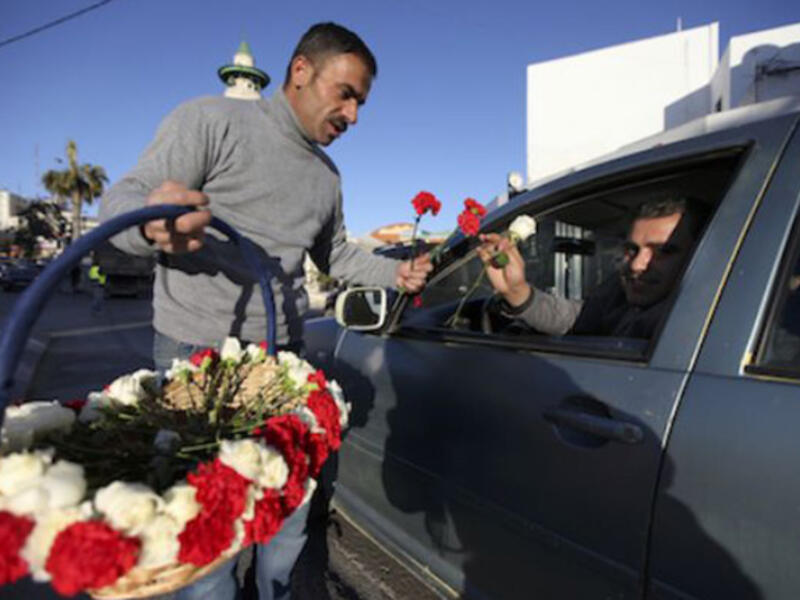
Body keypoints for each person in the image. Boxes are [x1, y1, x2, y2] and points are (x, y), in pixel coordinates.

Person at [100, 22, 432, 600]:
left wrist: (396, 273)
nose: (353, 116)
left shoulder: (327, 178)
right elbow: (124, 203)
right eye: (346, 94)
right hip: (193, 364)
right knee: (210, 544)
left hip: (284, 364)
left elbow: (338, 256)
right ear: (301, 70)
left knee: (285, 519)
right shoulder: (210, 120)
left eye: (361, 103)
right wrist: (153, 222)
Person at [476, 198, 704, 339]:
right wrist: (517, 292)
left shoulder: (693, 321)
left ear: (698, 254)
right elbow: (580, 318)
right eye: (632, 250)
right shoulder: (618, 294)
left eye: (663, 251)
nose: (636, 265)